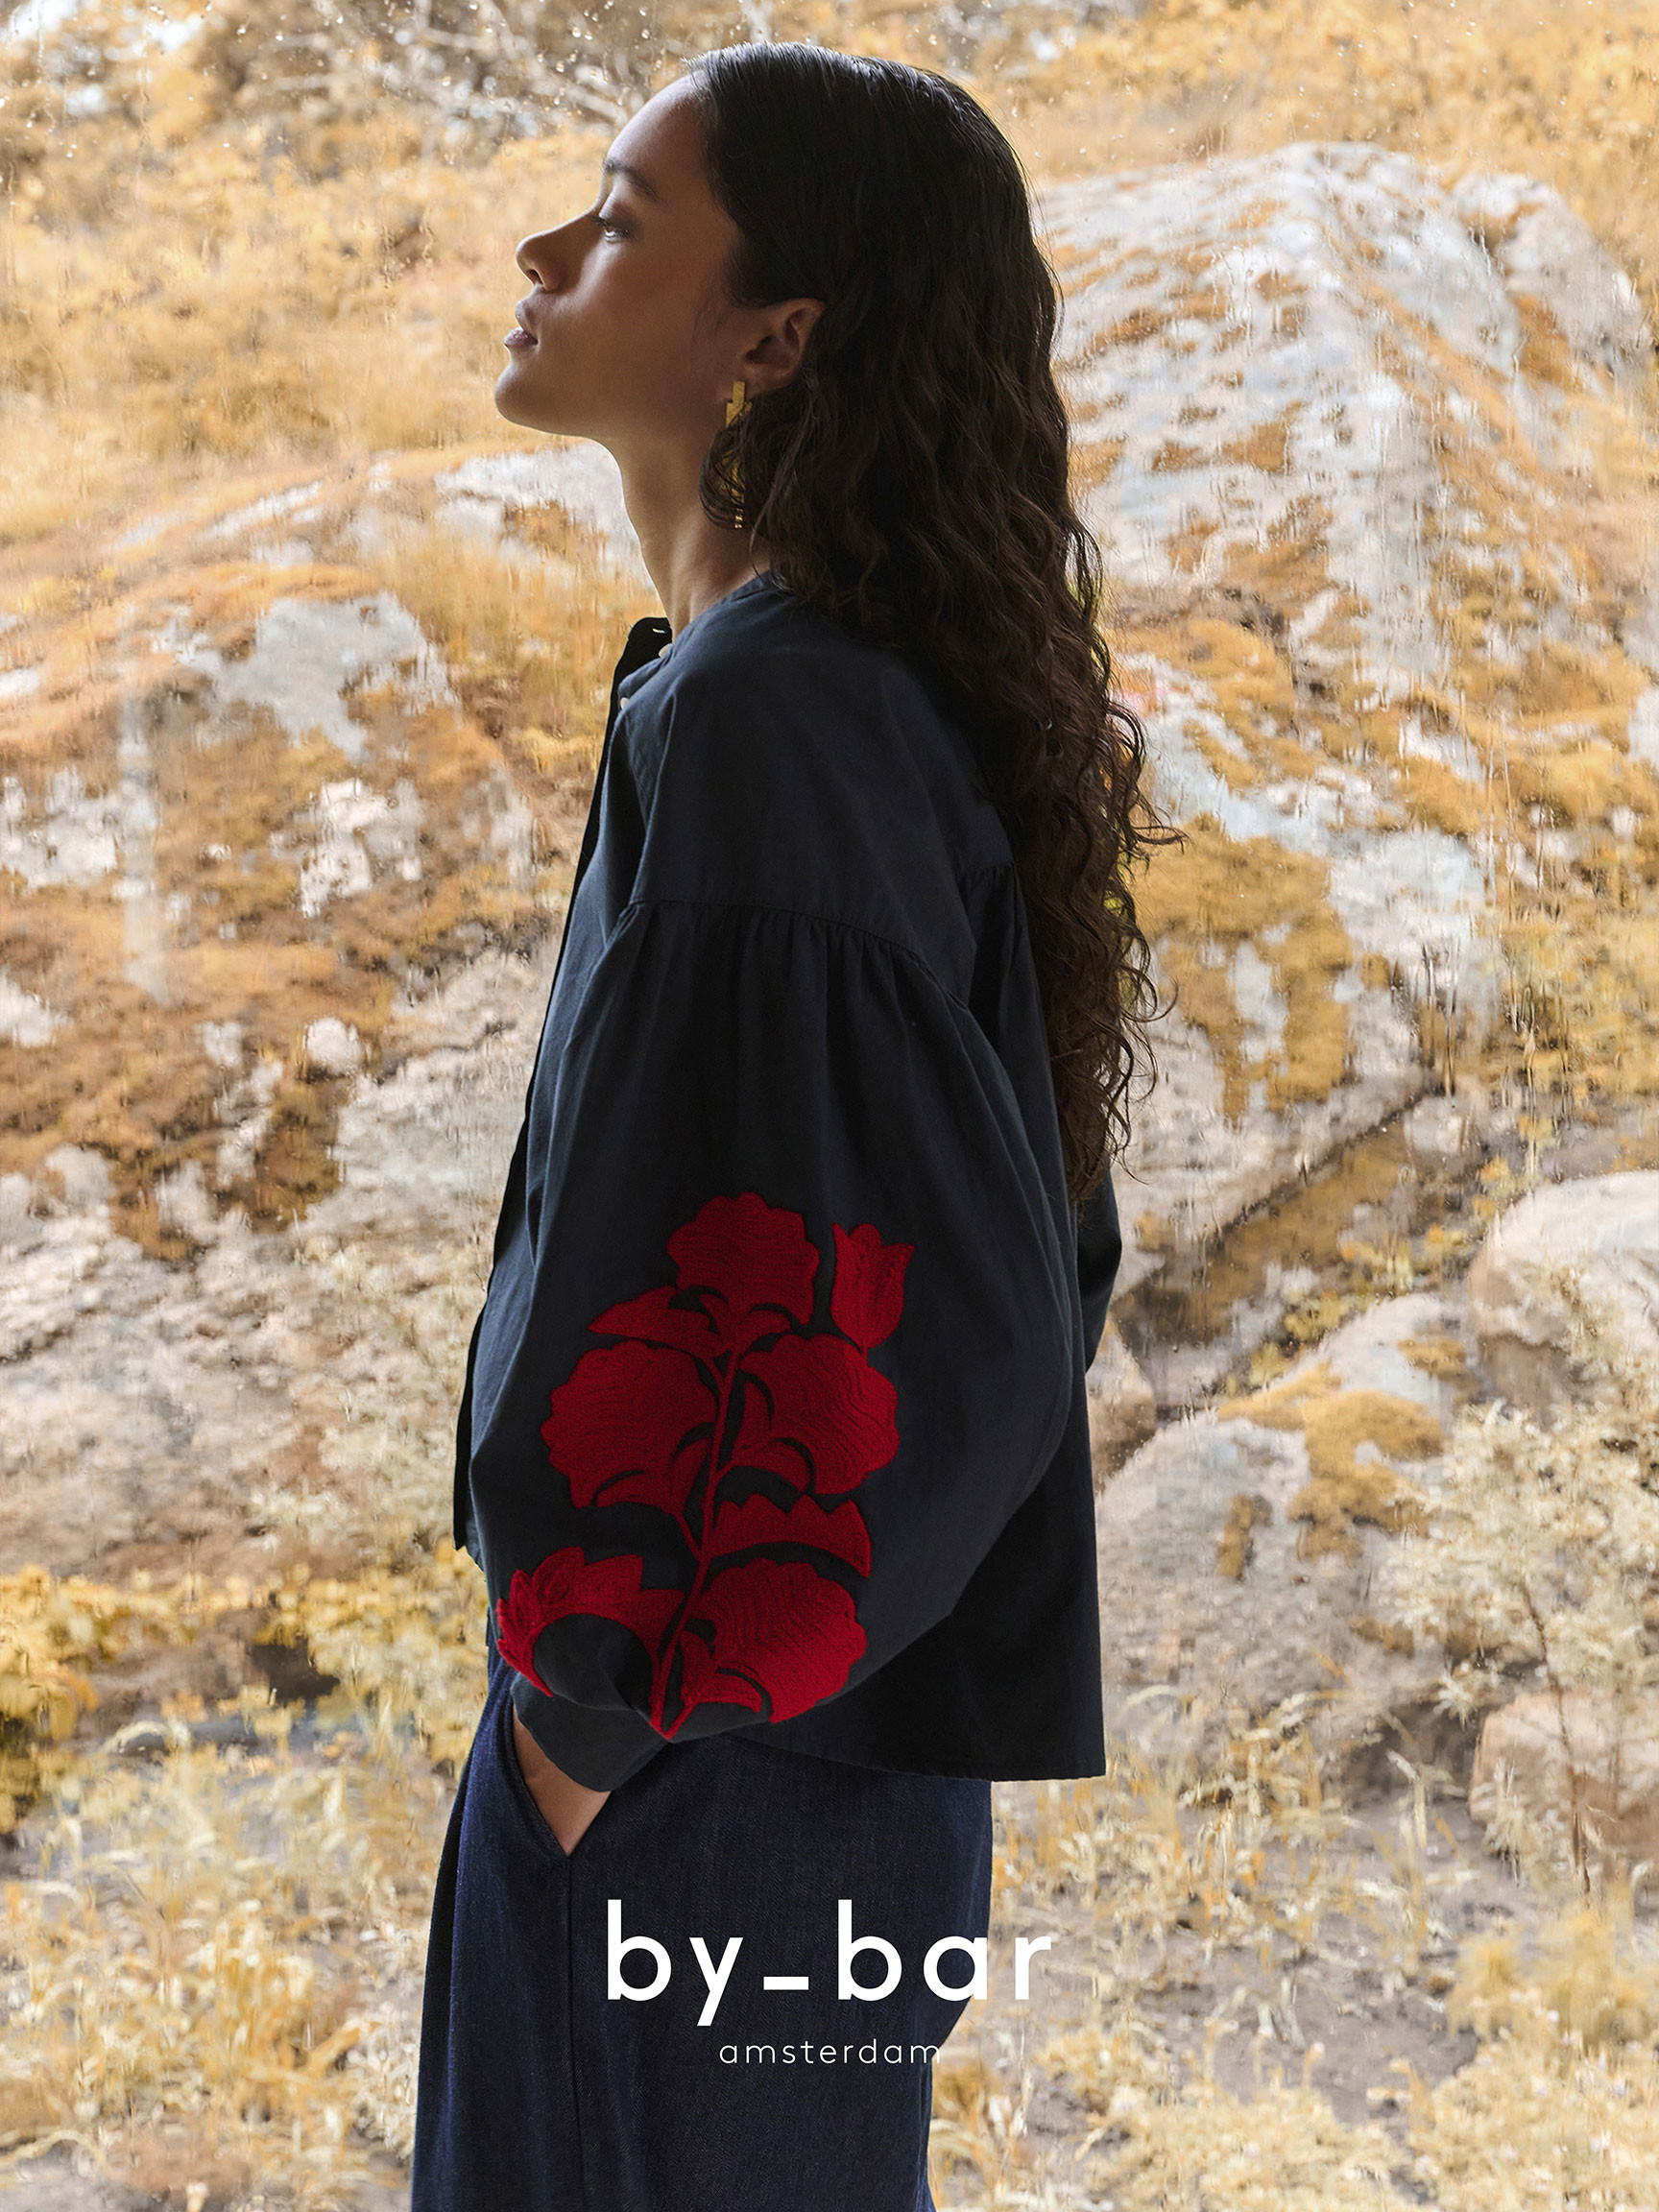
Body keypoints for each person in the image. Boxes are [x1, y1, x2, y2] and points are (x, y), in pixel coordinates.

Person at [411, 41, 1158, 2212]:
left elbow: (955, 1320)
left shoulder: (776, 717)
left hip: (704, 1797)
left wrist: (595, 1730)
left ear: (776, 338)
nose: (549, 247)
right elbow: (1045, 1240)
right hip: (770, 1777)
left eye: (625, 217)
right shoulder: (789, 685)